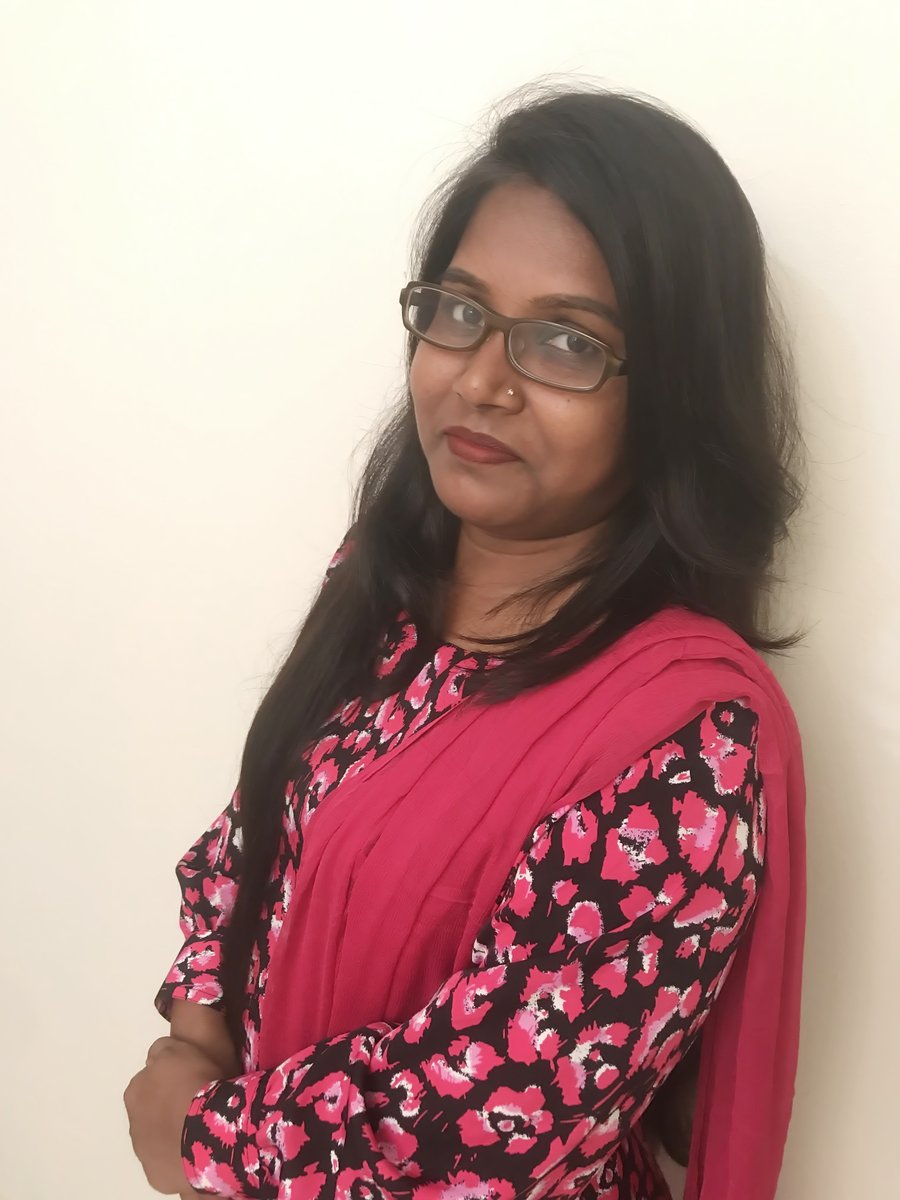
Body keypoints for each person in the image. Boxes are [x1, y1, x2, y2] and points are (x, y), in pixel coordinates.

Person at [125, 85, 807, 1200]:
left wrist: (200, 1136)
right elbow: (254, 837)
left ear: (673, 394)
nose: (481, 379)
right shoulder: (385, 581)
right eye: (458, 311)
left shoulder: (687, 738)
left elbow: (490, 1128)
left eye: (567, 343)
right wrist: (196, 1041)